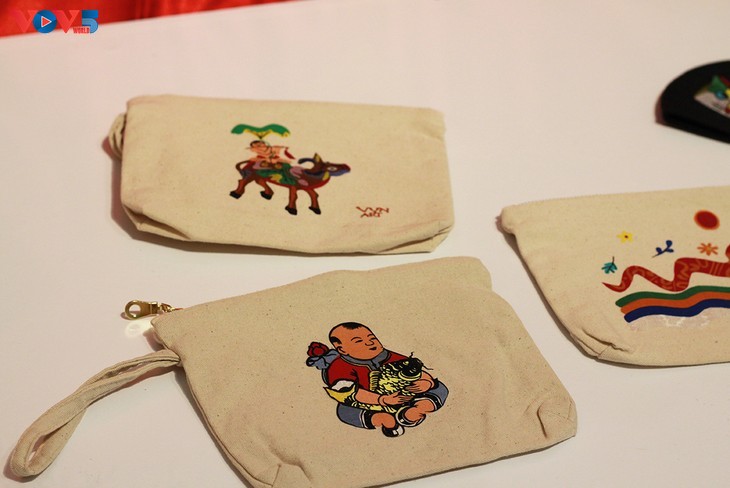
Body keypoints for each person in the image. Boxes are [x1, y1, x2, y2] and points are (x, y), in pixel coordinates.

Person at [324, 322, 448, 437]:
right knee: (345, 411)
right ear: (342, 349)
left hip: (404, 396)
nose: (369, 343)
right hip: (370, 403)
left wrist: (426, 382)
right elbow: (353, 393)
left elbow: (418, 372)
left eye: (372, 338)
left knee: (440, 388)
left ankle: (414, 412)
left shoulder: (389, 356)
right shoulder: (339, 367)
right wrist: (382, 400)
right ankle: (386, 421)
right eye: (359, 341)